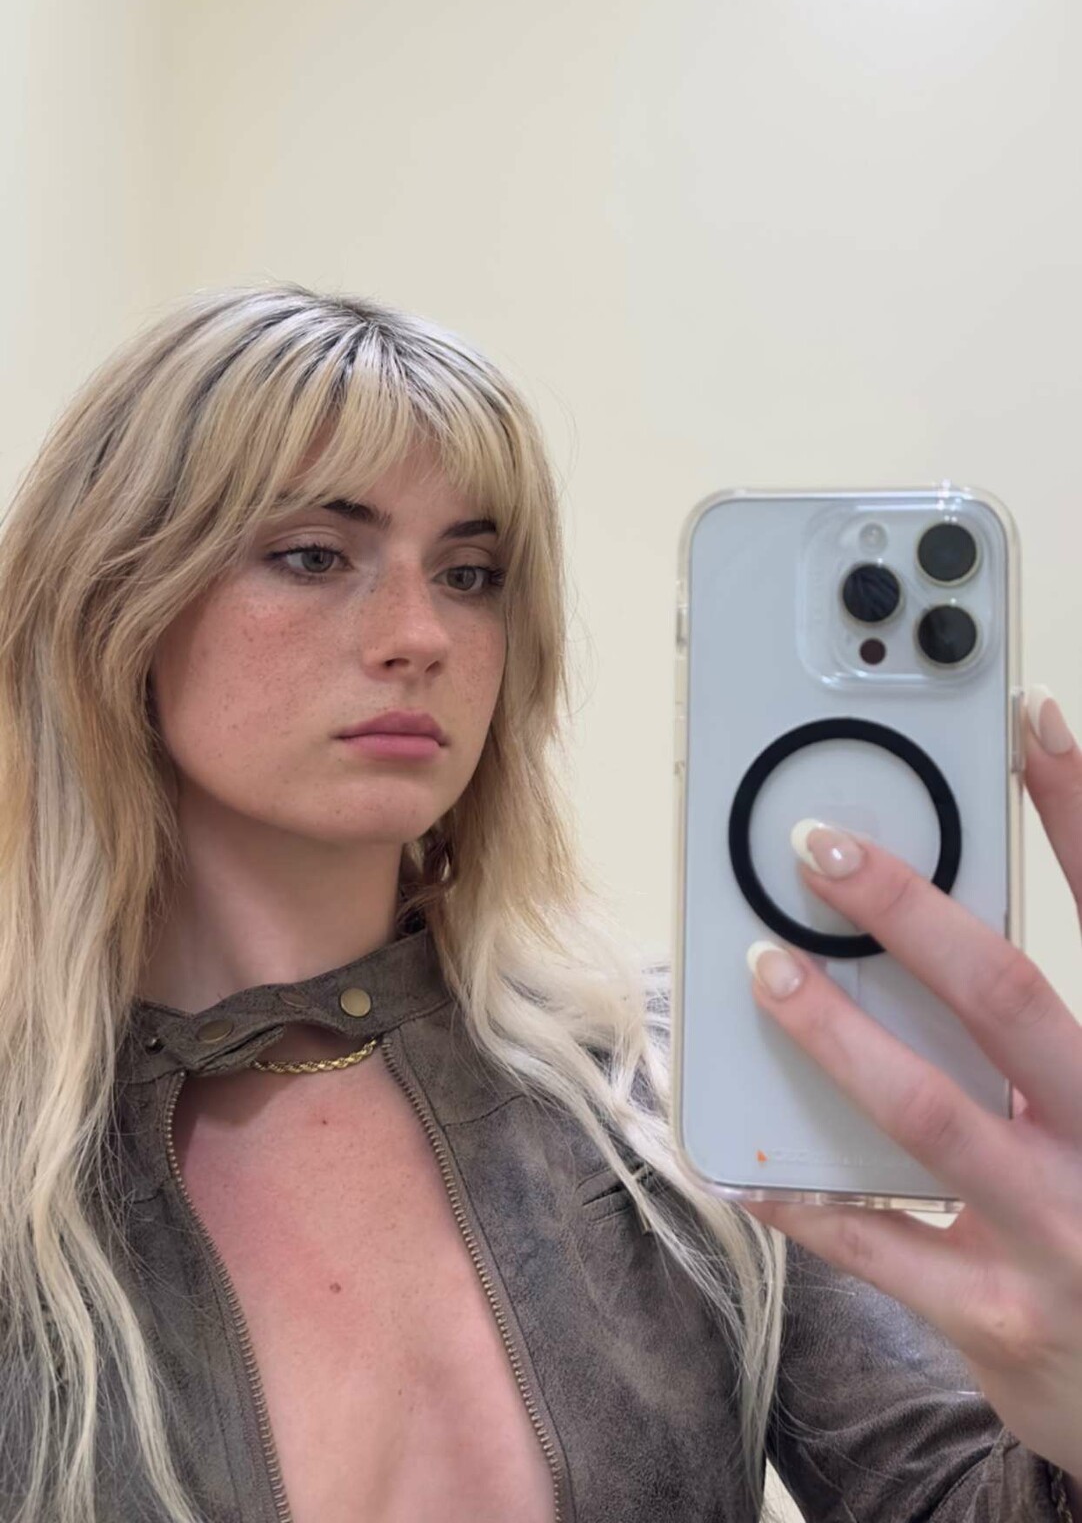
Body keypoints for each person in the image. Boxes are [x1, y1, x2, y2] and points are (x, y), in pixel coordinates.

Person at [0, 281, 1072, 1523]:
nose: (420, 634)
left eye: (470, 573)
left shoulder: (674, 1099)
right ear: (111, 603)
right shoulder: (31, 1165)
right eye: (312, 554)